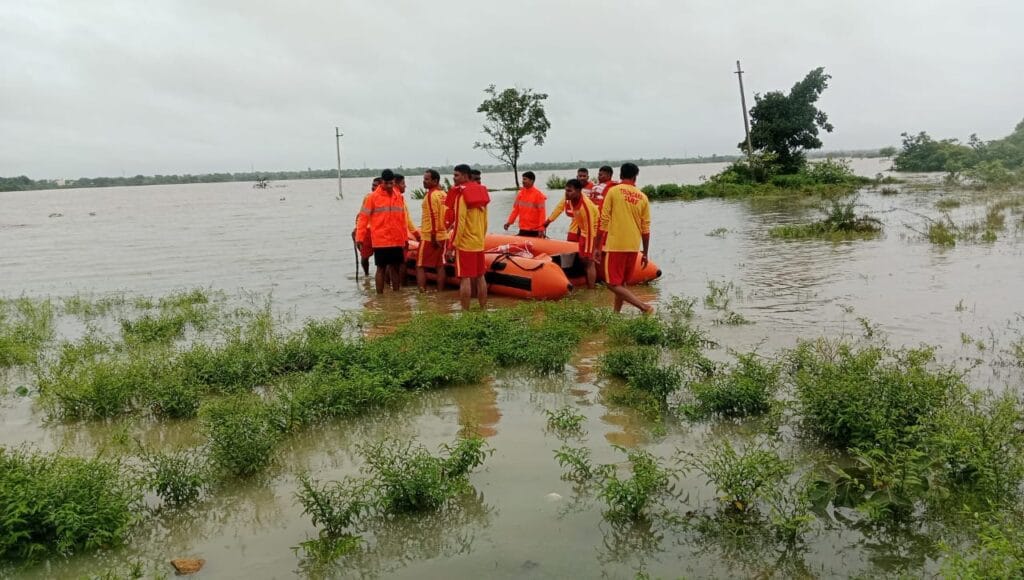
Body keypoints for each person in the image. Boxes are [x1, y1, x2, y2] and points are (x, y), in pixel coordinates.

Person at [594, 163, 653, 313]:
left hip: (616, 245)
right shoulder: (643, 197)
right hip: (633, 246)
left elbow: (603, 220)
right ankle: (616, 315)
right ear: (635, 177)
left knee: (611, 284)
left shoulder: (613, 191)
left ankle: (644, 307)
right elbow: (646, 228)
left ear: (620, 175)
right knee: (621, 283)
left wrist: (597, 246)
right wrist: (645, 253)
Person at [355, 169, 420, 294]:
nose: (389, 186)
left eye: (391, 183)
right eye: (386, 183)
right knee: (381, 268)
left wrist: (405, 239)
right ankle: (380, 296)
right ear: (382, 182)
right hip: (381, 240)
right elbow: (363, 218)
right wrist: (359, 237)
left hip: (396, 240)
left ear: (394, 182)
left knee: (395, 268)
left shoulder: (398, 196)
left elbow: (402, 220)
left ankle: (396, 295)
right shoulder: (372, 198)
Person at [446, 164, 490, 310]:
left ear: (465, 176)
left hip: (465, 244)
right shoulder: (481, 193)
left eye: (456, 175)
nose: (454, 178)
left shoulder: (462, 195)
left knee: (465, 278)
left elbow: (460, 223)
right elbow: (486, 221)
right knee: (480, 277)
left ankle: (465, 312)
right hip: (479, 243)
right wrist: (481, 238)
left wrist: (452, 245)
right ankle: (483, 309)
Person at [545, 179, 599, 289]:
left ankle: (591, 289)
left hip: (592, 232)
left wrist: (591, 249)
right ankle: (586, 283)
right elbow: (559, 208)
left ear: (578, 191)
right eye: (566, 190)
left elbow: (590, 230)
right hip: (583, 230)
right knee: (583, 259)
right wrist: (548, 222)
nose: (566, 193)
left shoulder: (585, 206)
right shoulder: (569, 198)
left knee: (589, 261)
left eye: (569, 191)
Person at [416, 169, 448, 292]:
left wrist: (433, 237)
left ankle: (422, 294)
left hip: (430, 236)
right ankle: (440, 293)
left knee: (420, 266)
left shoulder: (431, 195)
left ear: (435, 181)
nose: (424, 181)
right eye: (424, 179)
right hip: (443, 235)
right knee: (440, 266)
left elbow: (434, 216)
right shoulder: (444, 194)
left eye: (427, 179)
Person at [352, 177, 382, 276]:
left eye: (375, 186)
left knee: (381, 259)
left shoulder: (386, 199)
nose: (373, 188)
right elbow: (361, 216)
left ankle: (381, 277)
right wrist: (357, 230)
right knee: (364, 257)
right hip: (367, 231)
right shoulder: (368, 198)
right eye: (372, 185)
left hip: (379, 232)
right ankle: (367, 275)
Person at [504, 171, 546, 237]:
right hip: (523, 229)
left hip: (534, 231)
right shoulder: (520, 194)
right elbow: (515, 210)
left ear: (531, 181)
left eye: (525, 179)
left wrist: (541, 228)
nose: (523, 181)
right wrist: (509, 222)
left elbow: (542, 213)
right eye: (523, 179)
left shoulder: (538, 195)